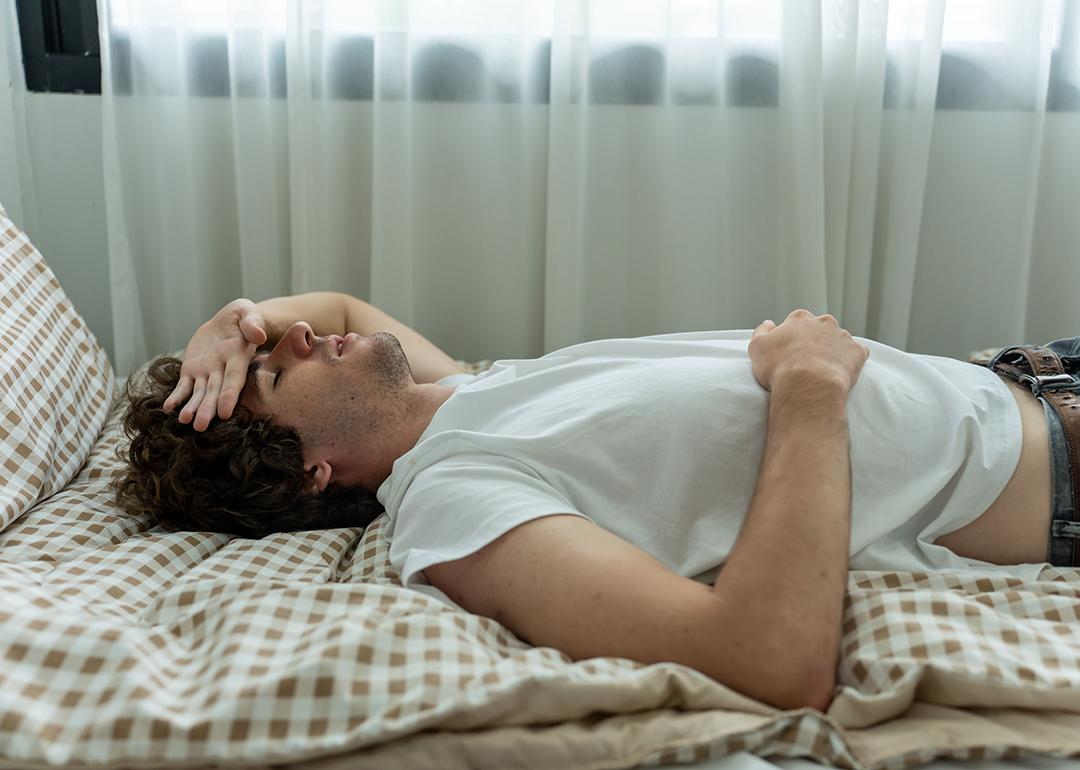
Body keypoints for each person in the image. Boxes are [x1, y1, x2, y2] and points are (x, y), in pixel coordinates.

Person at [115, 292, 1067, 714]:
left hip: (1029, 372)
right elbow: (768, 663)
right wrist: (811, 390)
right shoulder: (454, 499)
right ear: (310, 472)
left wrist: (227, 322)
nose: (295, 335)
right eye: (274, 372)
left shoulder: (462, 395)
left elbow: (343, 306)